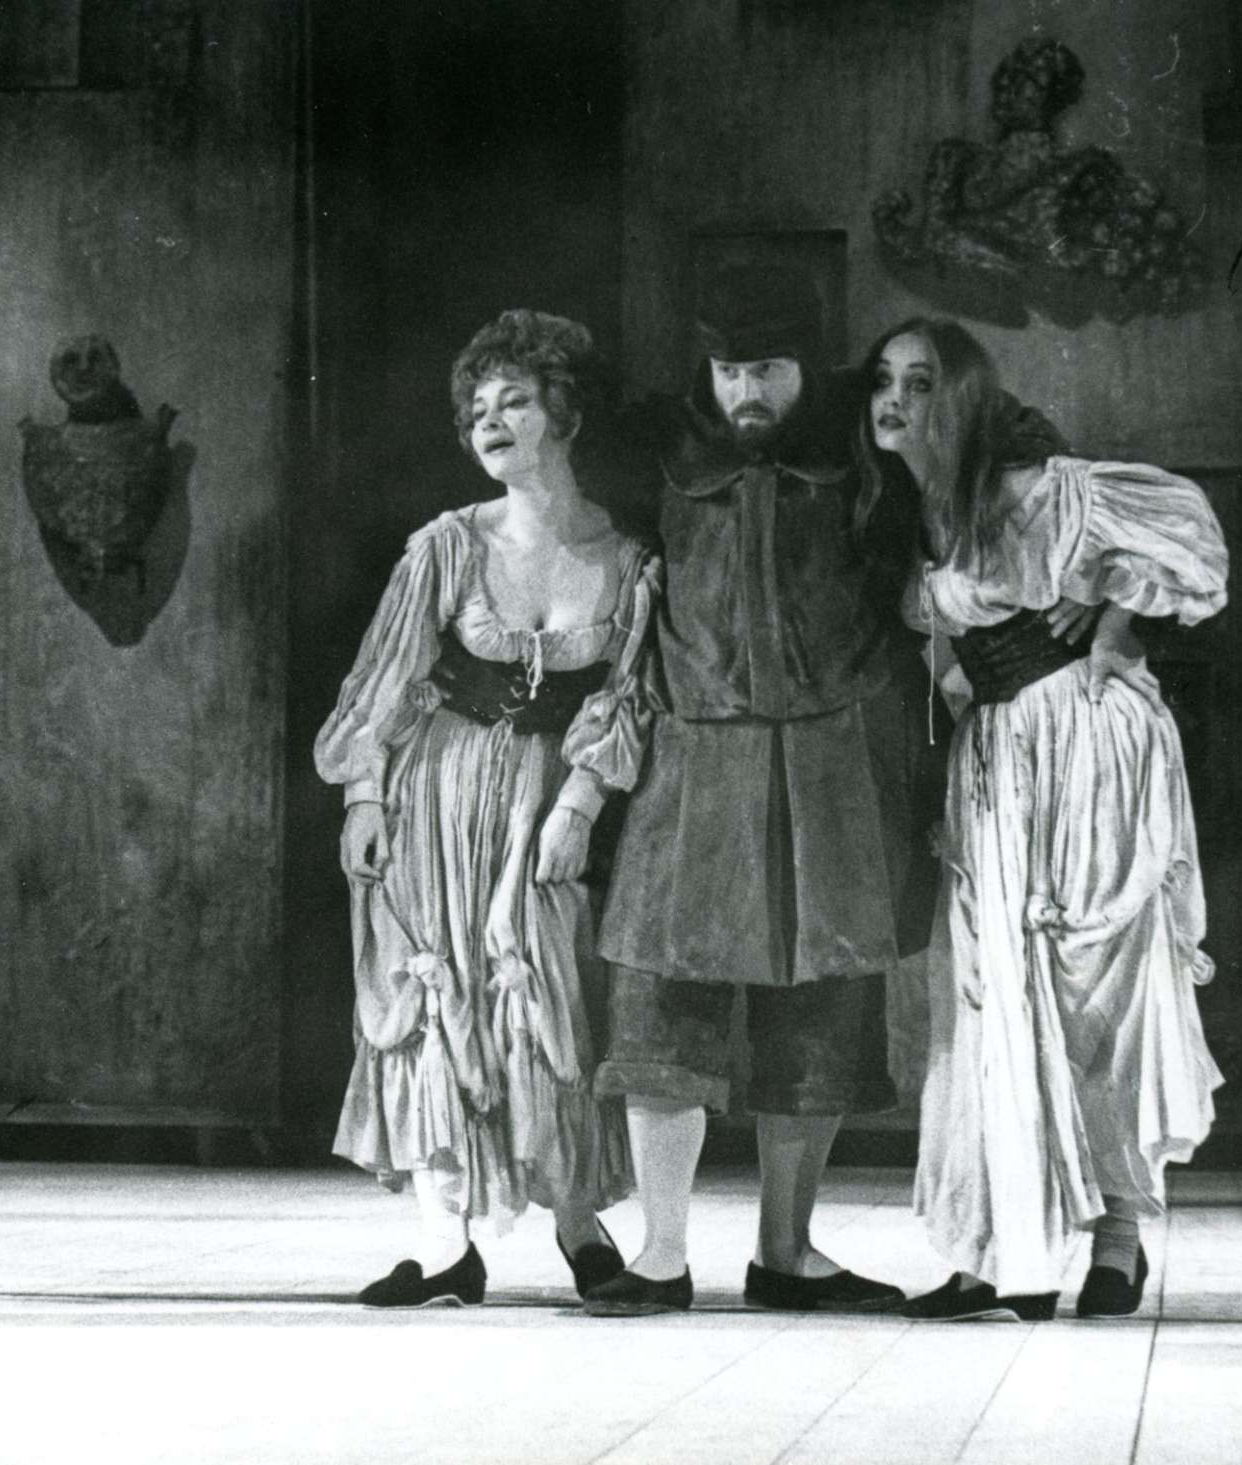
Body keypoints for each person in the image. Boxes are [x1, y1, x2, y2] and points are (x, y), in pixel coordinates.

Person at [867, 317, 1227, 1321]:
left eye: (920, 382)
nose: (894, 400)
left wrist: (1117, 613)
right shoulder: (913, 510)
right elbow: (948, 634)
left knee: (1090, 992)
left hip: (1084, 739)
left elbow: (1187, 530)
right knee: (991, 999)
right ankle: (998, 1251)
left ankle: (1117, 1242)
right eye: (883, 382)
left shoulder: (1036, 487)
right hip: (997, 754)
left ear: (962, 395)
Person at [583, 267, 926, 1318]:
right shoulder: (657, 444)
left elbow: (982, 439)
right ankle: (659, 1255)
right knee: (660, 1008)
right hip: (693, 757)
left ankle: (787, 1251)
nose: (745, 390)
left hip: (834, 762)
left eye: (767, 369)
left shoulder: (864, 443)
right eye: (729, 368)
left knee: (822, 1010)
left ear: (806, 368)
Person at [314, 309, 655, 1307]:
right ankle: (442, 1245)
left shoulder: (628, 559)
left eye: (514, 402)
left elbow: (627, 695)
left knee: (545, 991)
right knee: (431, 991)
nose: (490, 423)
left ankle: (579, 1223)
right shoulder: (448, 545)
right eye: (476, 411)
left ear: (566, 412)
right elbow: (384, 675)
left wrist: (580, 801)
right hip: (435, 787)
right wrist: (365, 795)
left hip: (544, 800)